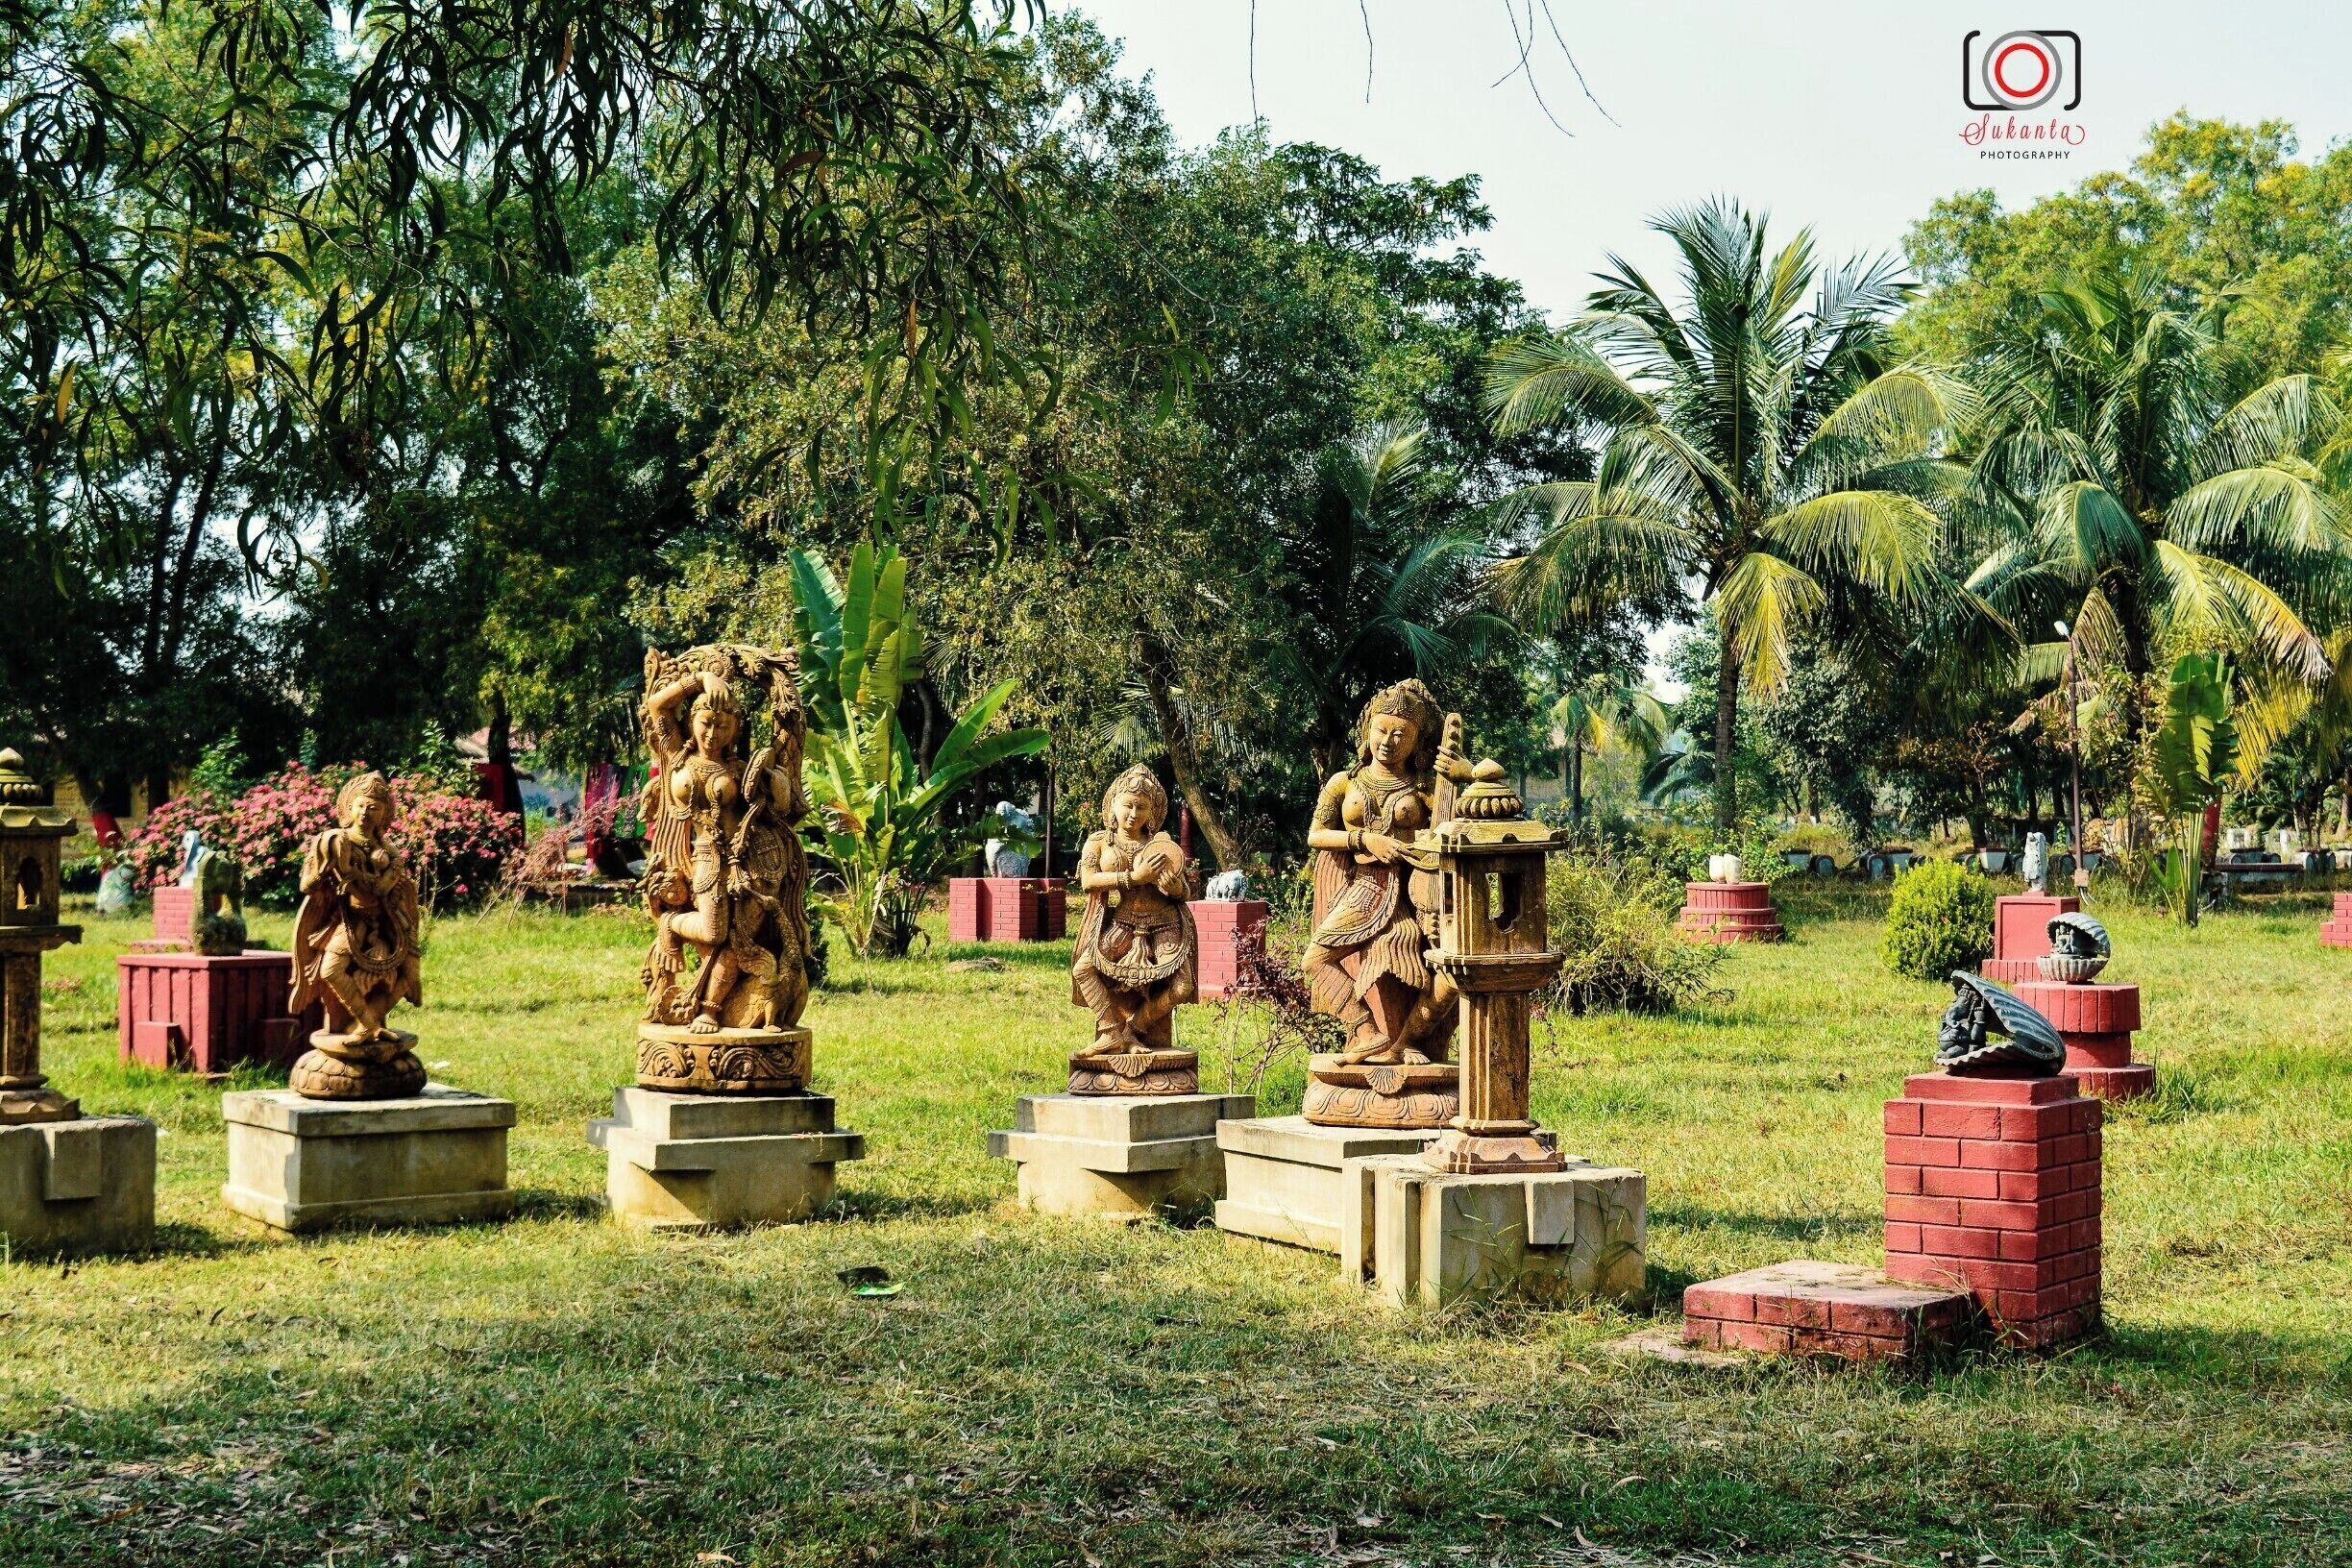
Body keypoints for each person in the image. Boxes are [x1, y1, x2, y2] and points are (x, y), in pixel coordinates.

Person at [1301, 679, 1471, 1065]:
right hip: (1363, 888)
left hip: (1416, 893)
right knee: (1314, 959)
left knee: (1445, 969)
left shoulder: (1426, 786)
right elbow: (1316, 834)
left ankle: (1409, 1040)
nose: (1388, 741)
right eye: (1381, 730)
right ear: (1367, 730)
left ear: (1417, 741)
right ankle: (1365, 1033)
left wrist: (1467, 774)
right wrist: (1362, 840)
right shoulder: (1343, 782)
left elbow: (1462, 826)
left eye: (1401, 734)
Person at [1070, 767, 1197, 1056]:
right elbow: (1089, 882)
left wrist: (1174, 886)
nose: (1133, 813)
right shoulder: (1099, 842)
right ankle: (1110, 1031)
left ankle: (1135, 1029)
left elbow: (1184, 893)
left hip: (1164, 923)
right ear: (1113, 805)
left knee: (1182, 986)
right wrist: (1133, 878)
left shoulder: (1160, 844)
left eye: (1142, 807)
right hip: (1124, 922)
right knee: (1084, 968)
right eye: (1127, 805)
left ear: (1152, 811)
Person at [291, 772, 422, 1042]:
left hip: (389, 921)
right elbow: (306, 886)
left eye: (373, 808)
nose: (365, 813)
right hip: (349, 921)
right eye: (360, 805)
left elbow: (380, 889)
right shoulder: (334, 842)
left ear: (384, 814)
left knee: (410, 975)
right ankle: (367, 1023)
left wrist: (356, 876)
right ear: (349, 807)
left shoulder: (390, 851)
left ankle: (370, 1022)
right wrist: (324, 871)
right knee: (330, 969)